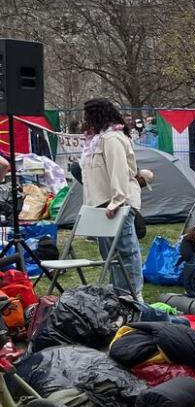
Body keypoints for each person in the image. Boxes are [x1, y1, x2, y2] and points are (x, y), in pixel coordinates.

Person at [79, 98, 143, 295]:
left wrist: (117, 201)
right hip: (101, 204)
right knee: (110, 255)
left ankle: (133, 295)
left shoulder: (113, 138)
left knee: (125, 251)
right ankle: (119, 294)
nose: (85, 119)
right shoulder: (96, 139)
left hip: (117, 204)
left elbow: (119, 171)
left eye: (87, 115)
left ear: (96, 115)